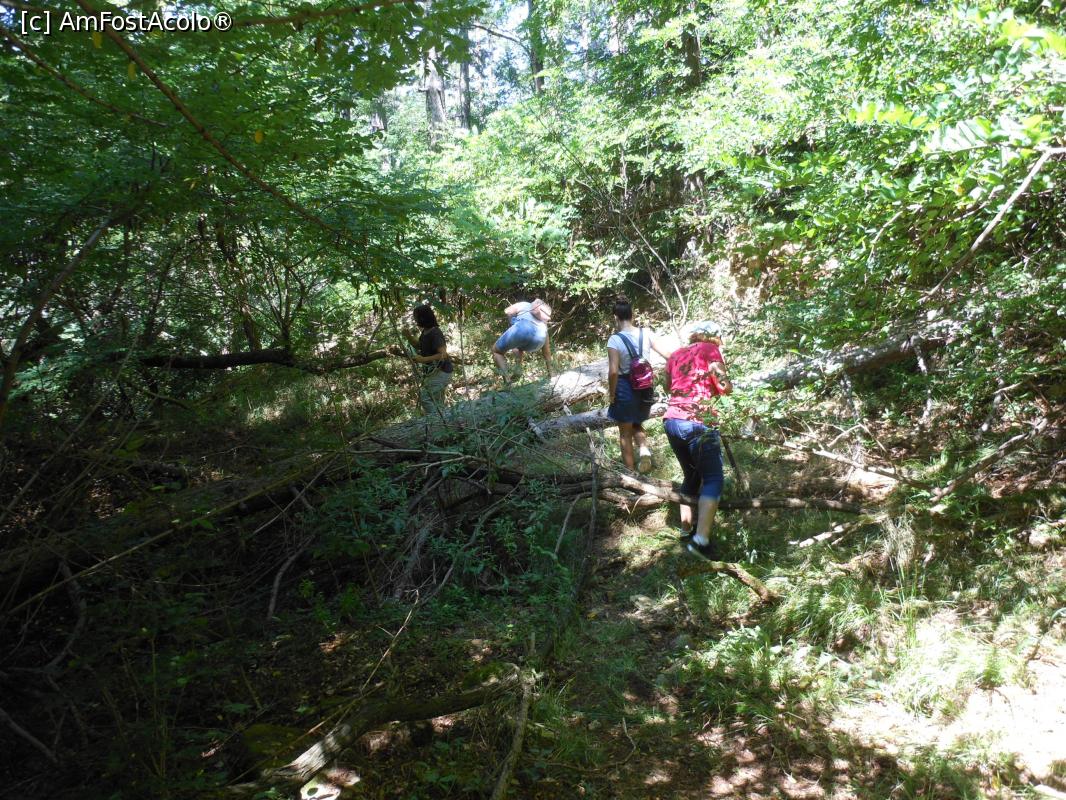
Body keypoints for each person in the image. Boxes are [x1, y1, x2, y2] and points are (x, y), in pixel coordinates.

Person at [662, 320, 733, 560]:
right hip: (697, 422)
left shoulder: (676, 354)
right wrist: (728, 386)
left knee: (691, 476)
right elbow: (723, 385)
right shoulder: (710, 350)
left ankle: (686, 530)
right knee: (713, 479)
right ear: (714, 337)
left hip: (672, 421)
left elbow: (669, 386)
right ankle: (700, 540)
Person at [606, 298, 674, 473]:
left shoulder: (614, 340)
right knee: (636, 422)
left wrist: (612, 394)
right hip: (646, 388)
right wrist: (670, 377)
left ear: (615, 317)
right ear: (632, 315)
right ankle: (643, 450)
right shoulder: (647, 333)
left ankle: (630, 474)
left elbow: (613, 372)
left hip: (625, 388)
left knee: (625, 433)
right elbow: (669, 356)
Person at [491, 295, 554, 382]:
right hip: (539, 340)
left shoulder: (525, 304)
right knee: (517, 347)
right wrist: (551, 372)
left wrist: (512, 323)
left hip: (522, 329)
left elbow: (508, 311)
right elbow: (546, 349)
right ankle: (518, 371)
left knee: (496, 351)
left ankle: (507, 381)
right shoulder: (544, 322)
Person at [411, 304, 453, 414]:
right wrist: (408, 336)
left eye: (416, 317)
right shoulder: (426, 331)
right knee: (437, 401)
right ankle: (444, 421)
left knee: (425, 397)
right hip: (435, 372)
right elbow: (419, 345)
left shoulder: (435, 333)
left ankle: (437, 420)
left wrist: (423, 360)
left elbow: (443, 355)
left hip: (442, 371)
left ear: (423, 318)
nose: (415, 320)